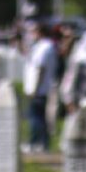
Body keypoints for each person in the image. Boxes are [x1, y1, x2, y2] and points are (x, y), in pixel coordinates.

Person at [22, 21, 59, 152]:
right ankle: (42, 144)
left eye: (33, 32)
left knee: (36, 118)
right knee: (39, 117)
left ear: (40, 32)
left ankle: (34, 143)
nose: (31, 35)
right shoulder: (39, 46)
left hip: (39, 88)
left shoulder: (46, 47)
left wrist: (35, 88)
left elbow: (40, 69)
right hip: (36, 88)